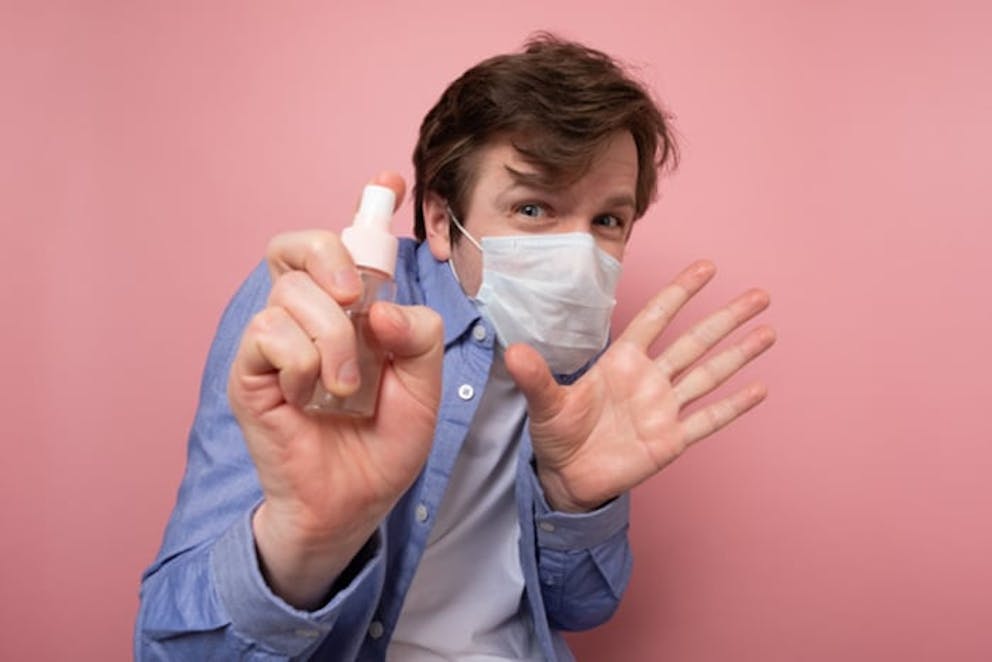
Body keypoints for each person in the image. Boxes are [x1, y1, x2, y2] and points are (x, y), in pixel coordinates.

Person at [135, 33, 775, 661]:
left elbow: (580, 609)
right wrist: (305, 542)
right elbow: (170, 649)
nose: (579, 258)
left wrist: (575, 502)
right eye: (533, 209)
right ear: (441, 221)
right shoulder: (327, 315)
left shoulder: (589, 349)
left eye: (607, 221)